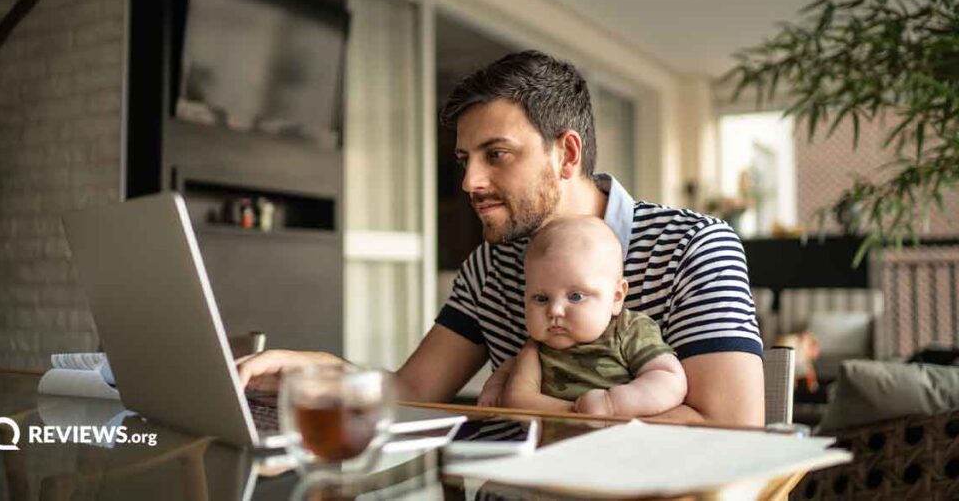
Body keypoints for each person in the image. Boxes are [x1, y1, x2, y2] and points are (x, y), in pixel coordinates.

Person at [238, 50, 765, 426]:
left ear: (568, 154)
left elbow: (734, 427)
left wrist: (560, 416)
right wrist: (322, 370)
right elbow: (415, 392)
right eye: (466, 160)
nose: (470, 182)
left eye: (497, 154)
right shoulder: (488, 269)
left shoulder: (693, 245)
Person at [481, 216, 686, 417]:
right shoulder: (536, 347)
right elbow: (511, 376)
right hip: (550, 446)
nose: (555, 311)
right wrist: (495, 387)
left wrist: (612, 404)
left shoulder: (629, 330)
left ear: (616, 297)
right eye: (541, 298)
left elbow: (669, 378)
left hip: (616, 441)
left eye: (576, 296)